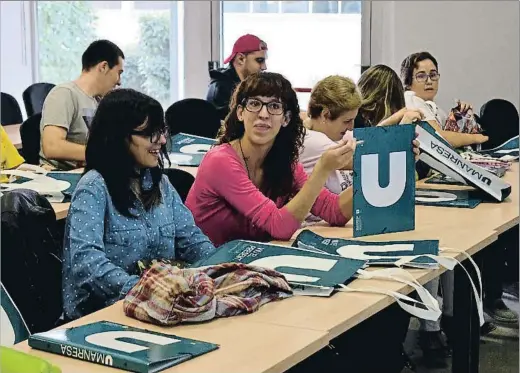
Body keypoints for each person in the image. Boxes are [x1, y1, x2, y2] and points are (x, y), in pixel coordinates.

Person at [62, 89, 216, 320]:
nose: (161, 140)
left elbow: (191, 240)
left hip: (161, 305)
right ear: (118, 137)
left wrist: (218, 269)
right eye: (150, 134)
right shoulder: (93, 188)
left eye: (161, 131)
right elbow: (88, 264)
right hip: (105, 312)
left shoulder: (160, 183)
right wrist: (145, 290)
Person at [40, 40, 125, 170]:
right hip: (61, 178)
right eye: (119, 73)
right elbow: (52, 147)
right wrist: (101, 155)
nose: (119, 81)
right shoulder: (64, 94)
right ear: (103, 67)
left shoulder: (98, 101)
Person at [400, 51, 489, 149]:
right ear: (407, 82)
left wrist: (461, 115)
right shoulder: (411, 99)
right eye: (421, 76)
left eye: (433, 75)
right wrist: (476, 138)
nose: (429, 81)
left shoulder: (435, 108)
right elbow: (439, 138)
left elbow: (451, 134)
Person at [206, 34, 268, 120]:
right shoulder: (221, 88)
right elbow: (235, 127)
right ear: (241, 59)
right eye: (259, 60)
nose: (264, 67)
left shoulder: (241, 84)